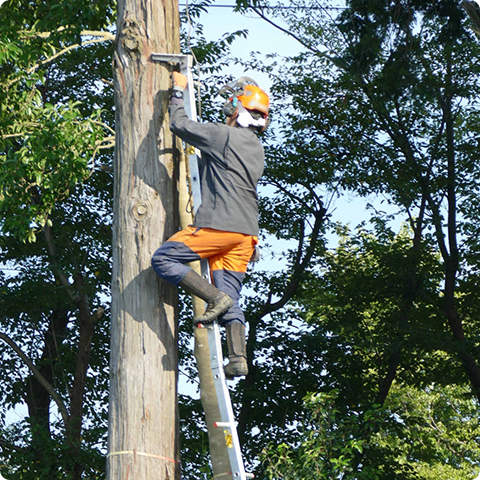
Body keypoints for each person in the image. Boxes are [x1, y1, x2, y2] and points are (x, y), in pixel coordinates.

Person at [151, 72, 269, 379]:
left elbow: (180, 125)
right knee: (232, 297)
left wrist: (178, 92)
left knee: (163, 259)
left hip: (220, 226)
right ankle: (238, 358)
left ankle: (214, 297)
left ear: (235, 110)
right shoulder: (256, 149)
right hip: (246, 236)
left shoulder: (224, 136)